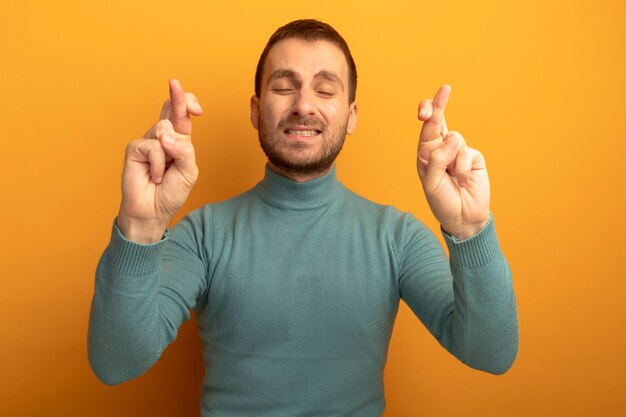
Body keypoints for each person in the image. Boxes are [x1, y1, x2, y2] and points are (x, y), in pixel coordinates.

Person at [88, 19, 518, 417]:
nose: (304, 105)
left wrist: (470, 229)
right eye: (284, 87)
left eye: (326, 90)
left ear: (350, 117)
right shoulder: (203, 235)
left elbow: (491, 353)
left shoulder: (397, 237)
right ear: (256, 111)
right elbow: (116, 363)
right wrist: (141, 228)